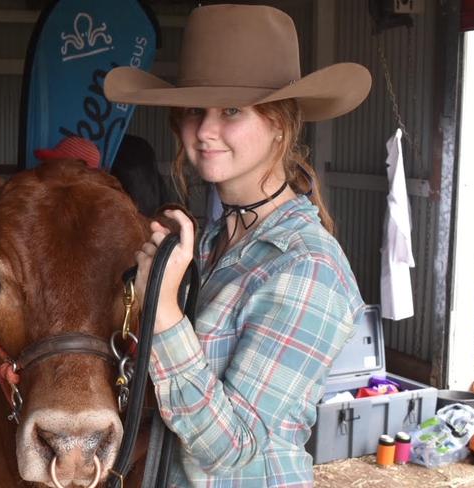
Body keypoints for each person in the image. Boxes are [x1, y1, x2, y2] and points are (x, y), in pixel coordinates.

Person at [104, 4, 371, 487]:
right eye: (194, 111)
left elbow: (233, 450)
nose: (204, 131)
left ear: (280, 125)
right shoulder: (211, 242)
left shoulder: (307, 267)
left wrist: (163, 311)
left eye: (231, 111)